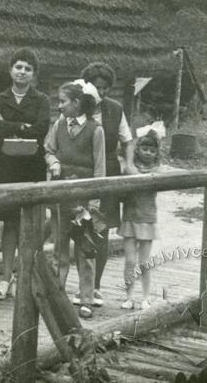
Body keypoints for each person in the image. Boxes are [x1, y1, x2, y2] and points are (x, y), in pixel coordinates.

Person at [0, 48, 50, 301]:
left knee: (31, 222)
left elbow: (42, 128)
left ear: (33, 74)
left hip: (31, 164)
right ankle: (6, 277)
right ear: (10, 70)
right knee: (9, 222)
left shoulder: (42, 99)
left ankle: (27, 276)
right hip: (6, 164)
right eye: (18, 67)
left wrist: (9, 126)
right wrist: (20, 127)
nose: (22, 72)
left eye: (27, 68)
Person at [44, 80, 105, 318]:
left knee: (85, 250)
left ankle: (86, 299)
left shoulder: (95, 130)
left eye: (63, 101)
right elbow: (48, 149)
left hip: (84, 199)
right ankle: (58, 296)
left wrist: (94, 201)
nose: (60, 106)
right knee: (59, 249)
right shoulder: (59, 124)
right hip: (61, 196)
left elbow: (100, 169)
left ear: (77, 103)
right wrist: (54, 162)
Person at [80, 62, 137, 308]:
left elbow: (128, 140)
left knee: (100, 230)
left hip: (109, 174)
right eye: (96, 87)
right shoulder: (79, 107)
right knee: (80, 227)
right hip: (83, 172)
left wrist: (130, 164)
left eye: (105, 88)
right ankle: (81, 285)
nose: (101, 93)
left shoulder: (115, 109)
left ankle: (96, 287)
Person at [119, 130, 161, 310]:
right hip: (130, 217)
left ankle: (145, 297)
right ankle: (129, 296)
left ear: (157, 153)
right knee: (129, 261)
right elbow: (128, 171)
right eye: (144, 148)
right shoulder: (129, 168)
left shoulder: (158, 170)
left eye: (152, 150)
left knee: (144, 262)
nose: (148, 153)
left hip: (147, 218)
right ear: (138, 149)